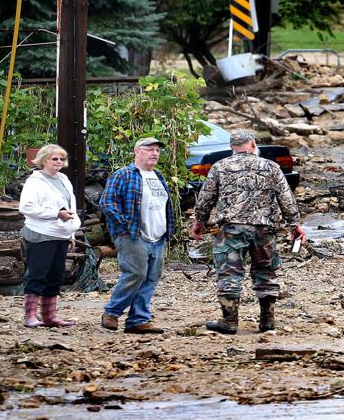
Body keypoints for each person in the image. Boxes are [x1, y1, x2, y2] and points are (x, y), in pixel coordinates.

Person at [190, 129, 303, 334]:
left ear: (232, 147)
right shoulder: (271, 167)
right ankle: (267, 320)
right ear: (252, 144)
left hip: (231, 229)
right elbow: (286, 198)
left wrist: (200, 221)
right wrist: (294, 224)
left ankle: (230, 321)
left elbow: (206, 198)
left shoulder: (220, 167)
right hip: (264, 229)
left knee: (229, 273)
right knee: (266, 272)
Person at [99, 136, 175, 334]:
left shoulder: (158, 176)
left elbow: (164, 206)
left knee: (151, 277)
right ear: (137, 151)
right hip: (133, 235)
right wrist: (124, 226)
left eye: (157, 150)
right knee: (135, 274)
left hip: (158, 236)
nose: (155, 153)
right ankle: (112, 312)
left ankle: (138, 320)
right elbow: (107, 203)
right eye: (150, 149)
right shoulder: (123, 174)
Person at [16, 143, 82, 327]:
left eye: (62, 158)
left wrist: (72, 234)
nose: (59, 161)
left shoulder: (64, 179)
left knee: (56, 275)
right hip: (41, 234)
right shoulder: (35, 181)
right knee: (38, 273)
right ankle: (30, 316)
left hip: (61, 234)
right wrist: (55, 214)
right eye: (55, 158)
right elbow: (27, 207)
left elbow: (71, 208)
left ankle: (49, 316)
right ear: (44, 160)